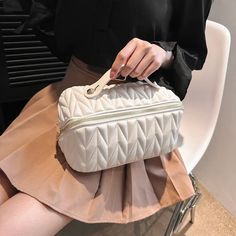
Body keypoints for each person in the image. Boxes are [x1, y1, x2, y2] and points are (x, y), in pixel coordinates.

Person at [0, 0, 212, 235]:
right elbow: (49, 20)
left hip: (125, 124)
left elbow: (191, 52)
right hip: (68, 98)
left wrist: (161, 54)